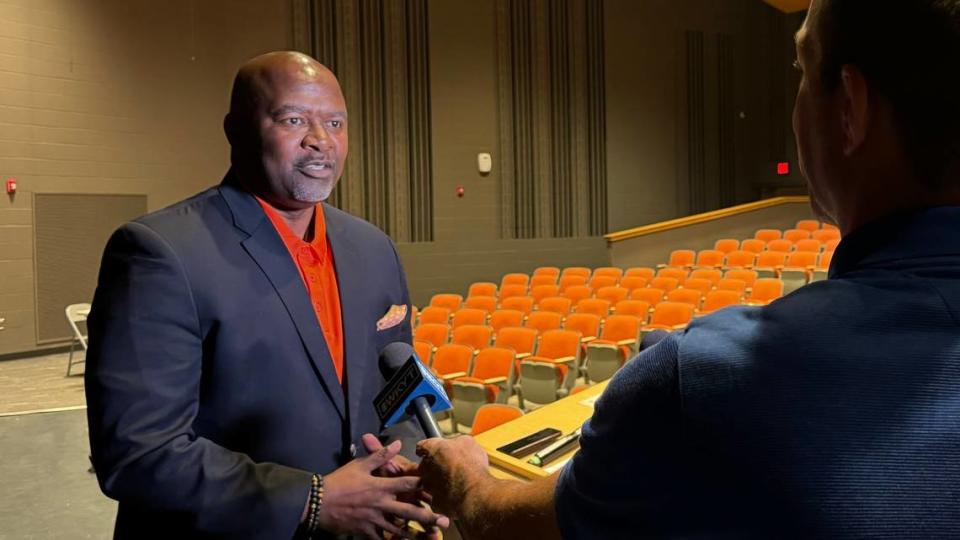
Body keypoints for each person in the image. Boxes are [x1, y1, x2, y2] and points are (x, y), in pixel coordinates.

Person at [416, 1, 960, 537]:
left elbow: (519, 527)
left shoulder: (704, 380)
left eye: (800, 70)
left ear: (850, 108)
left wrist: (465, 479)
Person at [85, 51, 447, 539]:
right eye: (293, 119)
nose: (320, 140)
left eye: (335, 122)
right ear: (236, 129)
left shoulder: (373, 248)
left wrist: (395, 465)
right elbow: (138, 452)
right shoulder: (161, 252)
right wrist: (313, 499)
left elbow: (396, 391)